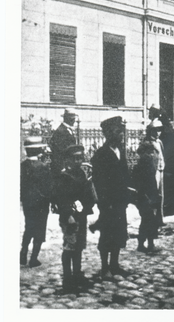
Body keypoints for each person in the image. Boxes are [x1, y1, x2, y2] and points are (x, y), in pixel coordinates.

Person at [90, 116, 132, 278]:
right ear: (108, 134)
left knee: (119, 233)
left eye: (121, 131)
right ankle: (105, 267)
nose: (121, 134)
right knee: (107, 235)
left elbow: (125, 175)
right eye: (117, 131)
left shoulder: (120, 151)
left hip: (120, 201)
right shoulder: (101, 155)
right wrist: (104, 203)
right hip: (108, 203)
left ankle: (115, 265)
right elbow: (98, 183)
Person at [52, 145, 96, 292]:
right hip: (69, 217)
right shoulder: (64, 176)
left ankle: (77, 274)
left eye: (80, 158)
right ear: (68, 160)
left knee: (79, 247)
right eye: (75, 158)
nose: (78, 161)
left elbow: (85, 195)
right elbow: (61, 199)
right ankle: (67, 279)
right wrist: (68, 215)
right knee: (69, 247)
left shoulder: (81, 174)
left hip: (81, 215)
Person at [20, 137, 52, 267]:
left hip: (28, 203)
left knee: (29, 227)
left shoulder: (22, 166)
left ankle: (22, 254)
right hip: (41, 203)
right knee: (39, 230)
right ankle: (33, 258)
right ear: (39, 150)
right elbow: (48, 187)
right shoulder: (43, 167)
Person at [133, 141, 161, 253]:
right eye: (149, 152)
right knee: (149, 220)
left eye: (151, 152)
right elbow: (144, 183)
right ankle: (148, 245)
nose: (151, 155)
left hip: (147, 196)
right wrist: (149, 197)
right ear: (143, 153)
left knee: (147, 220)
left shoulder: (143, 164)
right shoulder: (145, 164)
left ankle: (144, 244)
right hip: (146, 197)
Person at [49, 108, 78, 176]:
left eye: (74, 117)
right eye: (72, 118)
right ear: (67, 118)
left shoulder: (67, 130)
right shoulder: (60, 131)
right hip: (63, 168)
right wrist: (62, 168)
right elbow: (58, 151)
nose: (74, 120)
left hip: (69, 166)